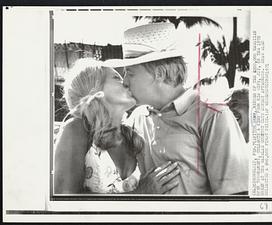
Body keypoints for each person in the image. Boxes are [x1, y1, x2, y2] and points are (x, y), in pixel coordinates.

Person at [104, 22, 249, 195]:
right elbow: (123, 176)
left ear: (158, 73)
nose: (125, 81)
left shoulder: (212, 114)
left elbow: (234, 199)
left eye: (130, 73)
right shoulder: (138, 117)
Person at [54, 58, 180, 194]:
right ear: (94, 88)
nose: (126, 83)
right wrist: (141, 193)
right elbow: (65, 201)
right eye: (116, 78)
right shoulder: (76, 129)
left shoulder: (131, 136)